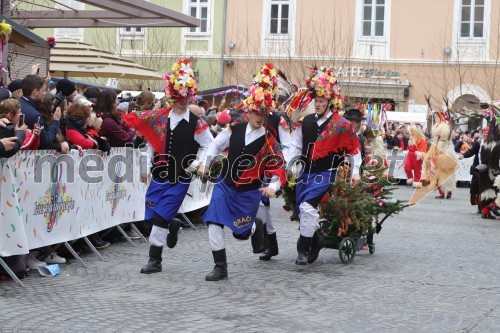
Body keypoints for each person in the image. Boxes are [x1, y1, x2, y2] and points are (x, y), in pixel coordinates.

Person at [123, 59, 213, 274]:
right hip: (158, 175)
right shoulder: (160, 119)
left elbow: (209, 145)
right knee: (150, 218)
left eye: (186, 98)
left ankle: (155, 260)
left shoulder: (197, 122)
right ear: (171, 96)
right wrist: (145, 169)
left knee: (160, 217)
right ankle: (172, 224)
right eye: (178, 97)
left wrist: (198, 164)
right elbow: (151, 146)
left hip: (180, 178)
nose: (182, 102)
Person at [198, 64, 286, 281]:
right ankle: (220, 267)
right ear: (248, 110)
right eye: (256, 111)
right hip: (225, 185)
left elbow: (279, 166)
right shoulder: (233, 129)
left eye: (263, 113)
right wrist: (206, 163)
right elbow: (214, 146)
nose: (259, 116)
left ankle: (255, 227)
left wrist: (274, 186)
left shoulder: (269, 141)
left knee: (241, 233)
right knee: (214, 220)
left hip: (249, 193)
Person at [285, 67, 361, 265]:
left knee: (308, 208)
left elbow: (355, 149)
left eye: (321, 102)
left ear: (330, 103)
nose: (317, 104)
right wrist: (290, 165)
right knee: (303, 210)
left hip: (327, 173)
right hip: (305, 172)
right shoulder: (306, 121)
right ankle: (316, 240)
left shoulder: (341, 124)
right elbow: (295, 145)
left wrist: (356, 172)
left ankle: (302, 250)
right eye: (316, 101)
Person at [19, 75, 62, 150]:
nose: (45, 93)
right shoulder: (35, 115)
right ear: (35, 92)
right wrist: (55, 121)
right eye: (43, 90)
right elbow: (45, 142)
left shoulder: (16, 102)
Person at [423, 112, 458, 199]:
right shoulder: (437, 137)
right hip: (439, 154)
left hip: (444, 154)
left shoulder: (446, 137)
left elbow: (449, 134)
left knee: (445, 173)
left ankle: (447, 191)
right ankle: (444, 192)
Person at [459, 127, 488, 214]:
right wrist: (463, 155)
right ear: (482, 133)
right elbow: (471, 152)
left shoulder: (491, 143)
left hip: (488, 169)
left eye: (487, 133)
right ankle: (480, 206)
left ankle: (486, 207)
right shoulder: (478, 143)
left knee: (486, 188)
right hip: (478, 168)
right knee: (476, 188)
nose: (486, 134)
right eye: (484, 133)